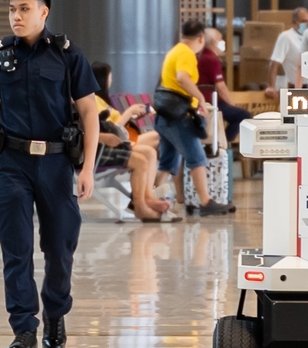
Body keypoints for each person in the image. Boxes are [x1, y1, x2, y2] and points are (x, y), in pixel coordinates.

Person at [0, 0, 101, 348]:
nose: (16, 17)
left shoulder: (67, 55)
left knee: (59, 246)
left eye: (24, 9)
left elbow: (89, 113)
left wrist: (88, 168)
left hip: (57, 163)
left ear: (44, 12)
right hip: (13, 164)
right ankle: (24, 329)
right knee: (16, 247)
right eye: (12, 9)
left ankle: (55, 315)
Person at [153, 20, 234, 218]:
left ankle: (149, 199)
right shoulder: (186, 54)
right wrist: (199, 97)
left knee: (168, 162)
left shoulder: (174, 51)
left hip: (165, 115)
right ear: (200, 38)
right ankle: (206, 201)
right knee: (197, 157)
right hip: (178, 116)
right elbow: (182, 77)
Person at [90, 62, 175, 223]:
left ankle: (147, 196)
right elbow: (111, 129)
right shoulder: (93, 100)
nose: (111, 79)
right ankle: (142, 201)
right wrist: (128, 112)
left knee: (151, 149)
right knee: (157, 139)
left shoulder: (101, 100)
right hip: (109, 144)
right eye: (109, 76)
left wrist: (133, 117)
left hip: (116, 140)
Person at [198, 28, 252, 143]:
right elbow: (221, 86)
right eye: (220, 39)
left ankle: (222, 142)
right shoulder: (211, 59)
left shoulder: (203, 57)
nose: (223, 42)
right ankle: (223, 143)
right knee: (242, 115)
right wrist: (231, 103)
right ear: (213, 42)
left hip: (206, 99)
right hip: (211, 101)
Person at [266, 7, 308, 95]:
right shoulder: (286, 37)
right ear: (295, 22)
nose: (307, 24)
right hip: (296, 86)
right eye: (303, 21)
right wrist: (271, 86)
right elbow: (274, 63)